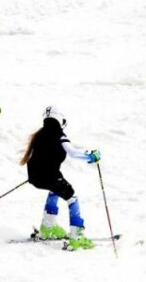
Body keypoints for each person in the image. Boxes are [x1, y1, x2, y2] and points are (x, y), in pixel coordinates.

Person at [19, 107, 101, 250]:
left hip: (36, 177)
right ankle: (77, 237)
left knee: (55, 190)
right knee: (72, 197)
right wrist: (91, 156)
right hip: (49, 176)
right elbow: (73, 153)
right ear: (59, 120)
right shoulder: (59, 135)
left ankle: (48, 226)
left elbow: (37, 156)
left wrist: (37, 174)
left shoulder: (40, 134)